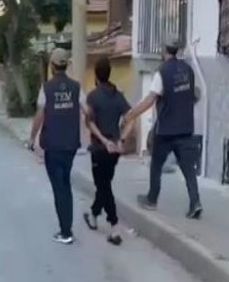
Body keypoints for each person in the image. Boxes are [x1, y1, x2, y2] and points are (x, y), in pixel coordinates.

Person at [122, 39, 203, 219]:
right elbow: (193, 95)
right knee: (188, 168)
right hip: (186, 128)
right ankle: (195, 202)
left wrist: (131, 115)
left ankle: (151, 199)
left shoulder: (162, 72)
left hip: (166, 130)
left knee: (156, 164)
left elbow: (150, 99)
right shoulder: (188, 70)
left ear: (164, 50)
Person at [28, 48, 86, 245]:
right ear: (66, 65)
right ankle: (66, 227)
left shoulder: (46, 88)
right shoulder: (76, 87)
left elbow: (40, 115)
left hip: (52, 145)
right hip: (70, 145)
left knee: (59, 188)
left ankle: (65, 232)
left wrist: (32, 138)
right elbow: (88, 110)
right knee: (65, 184)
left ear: (52, 66)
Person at [83, 58, 134, 246]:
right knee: (104, 184)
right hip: (114, 151)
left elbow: (89, 122)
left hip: (100, 148)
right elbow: (132, 118)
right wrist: (121, 139)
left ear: (96, 76)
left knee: (103, 187)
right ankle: (93, 214)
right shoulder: (118, 96)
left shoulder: (93, 96)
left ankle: (115, 227)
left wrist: (104, 141)